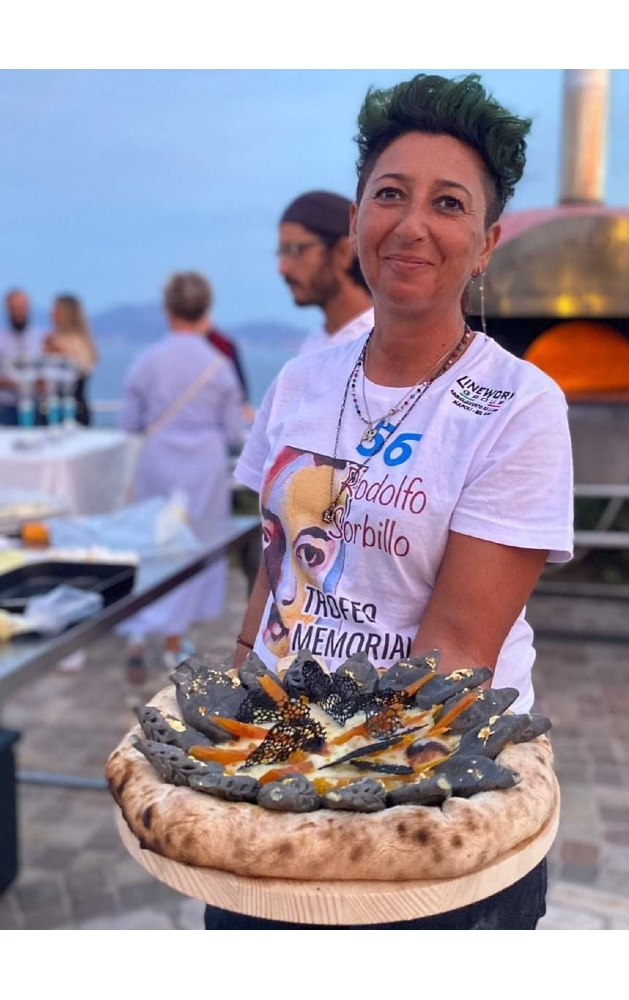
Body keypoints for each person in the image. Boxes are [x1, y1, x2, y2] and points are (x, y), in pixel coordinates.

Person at [211, 73, 574, 931]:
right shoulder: (302, 380)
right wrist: (236, 716)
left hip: (427, 799)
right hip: (277, 765)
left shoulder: (518, 406)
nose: (412, 224)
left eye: (448, 204)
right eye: (390, 194)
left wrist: (310, 789)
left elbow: (454, 657)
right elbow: (274, 568)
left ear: (484, 244)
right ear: (355, 223)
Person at [118, 272, 244, 682]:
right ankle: (175, 639)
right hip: (203, 467)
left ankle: (137, 636)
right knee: (190, 549)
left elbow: (129, 422)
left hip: (157, 460)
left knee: (150, 543)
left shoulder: (146, 359)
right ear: (206, 309)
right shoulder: (219, 366)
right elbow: (232, 431)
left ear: (167, 308)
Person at [278, 190, 374, 355]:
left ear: (343, 251)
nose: (282, 268)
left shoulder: (385, 344)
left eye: (294, 250)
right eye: (281, 253)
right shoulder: (312, 349)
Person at [43, 294, 99, 425]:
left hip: (74, 409)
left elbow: (84, 368)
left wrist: (60, 352)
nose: (51, 315)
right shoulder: (51, 339)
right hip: (51, 408)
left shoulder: (80, 342)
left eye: (56, 311)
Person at [0, 288, 45, 424]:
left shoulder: (41, 338)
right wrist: (12, 384)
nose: (19, 312)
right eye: (15, 308)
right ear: (7, 309)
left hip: (35, 406)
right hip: (5, 408)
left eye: (22, 308)